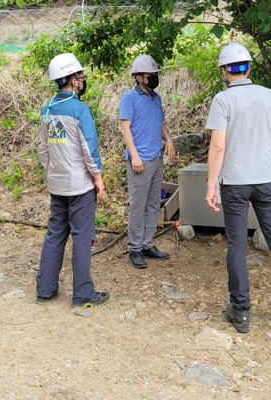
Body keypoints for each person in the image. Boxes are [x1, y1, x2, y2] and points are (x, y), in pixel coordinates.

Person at [204, 42, 271, 333]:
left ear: (224, 71)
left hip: (234, 183)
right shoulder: (269, 95)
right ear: (248, 67)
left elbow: (218, 146)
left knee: (236, 245)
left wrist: (211, 184)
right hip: (266, 180)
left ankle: (241, 310)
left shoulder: (222, 100)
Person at [36, 52, 109, 308]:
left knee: (55, 234)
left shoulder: (47, 110)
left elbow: (43, 150)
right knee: (81, 237)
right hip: (80, 185)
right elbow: (89, 149)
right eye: (80, 75)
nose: (82, 79)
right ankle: (83, 294)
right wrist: (98, 178)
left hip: (57, 185)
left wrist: (53, 172)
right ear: (71, 79)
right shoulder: (79, 109)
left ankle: (45, 289)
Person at [119, 55, 177, 269]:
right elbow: (125, 128)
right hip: (139, 160)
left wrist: (168, 139)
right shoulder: (129, 98)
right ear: (139, 77)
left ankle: (147, 243)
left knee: (153, 203)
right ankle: (134, 248)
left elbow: (159, 122)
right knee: (138, 204)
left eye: (155, 75)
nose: (154, 78)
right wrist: (134, 155)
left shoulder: (156, 98)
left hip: (156, 157)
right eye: (150, 75)